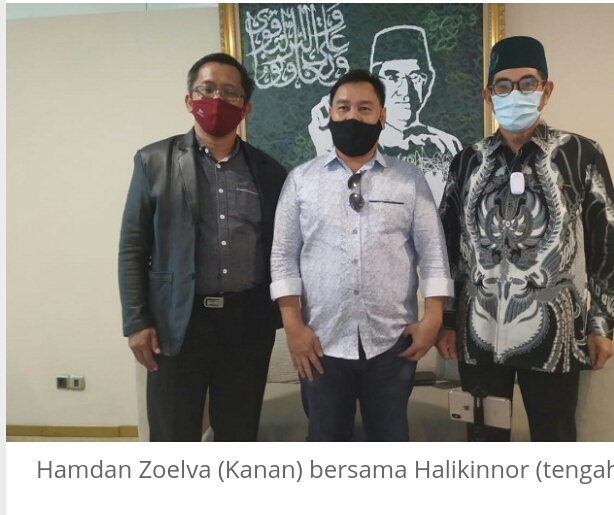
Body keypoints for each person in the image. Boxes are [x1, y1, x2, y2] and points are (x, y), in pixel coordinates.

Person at [437, 36, 614, 442]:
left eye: (527, 83)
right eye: (503, 85)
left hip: (555, 332)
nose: (515, 93)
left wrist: (601, 321)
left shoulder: (580, 154)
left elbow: (606, 241)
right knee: (485, 439)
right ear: (489, 95)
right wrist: (446, 320)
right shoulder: (467, 161)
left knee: (554, 438)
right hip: (479, 332)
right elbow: (447, 246)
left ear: (546, 90)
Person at [270, 69, 453, 442]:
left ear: (381, 117)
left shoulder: (409, 180)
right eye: (343, 107)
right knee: (325, 443)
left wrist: (433, 318)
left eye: (364, 108)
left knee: (390, 441)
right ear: (330, 114)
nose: (352, 116)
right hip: (320, 342)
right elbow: (283, 257)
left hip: (392, 342)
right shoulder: (301, 180)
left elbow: (434, 253)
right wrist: (293, 328)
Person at [118, 53, 287, 441]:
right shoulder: (153, 161)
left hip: (247, 323)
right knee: (172, 436)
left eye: (229, 93)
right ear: (189, 99)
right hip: (178, 321)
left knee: (238, 435)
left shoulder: (269, 171)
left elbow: (281, 249)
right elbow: (132, 247)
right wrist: (136, 321)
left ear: (245, 108)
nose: (216, 100)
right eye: (206, 89)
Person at [308, 26, 462, 206]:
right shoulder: (356, 148)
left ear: (427, 82)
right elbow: (338, 209)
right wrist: (326, 151)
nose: (405, 90)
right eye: (393, 77)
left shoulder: (445, 146)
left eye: (415, 77)